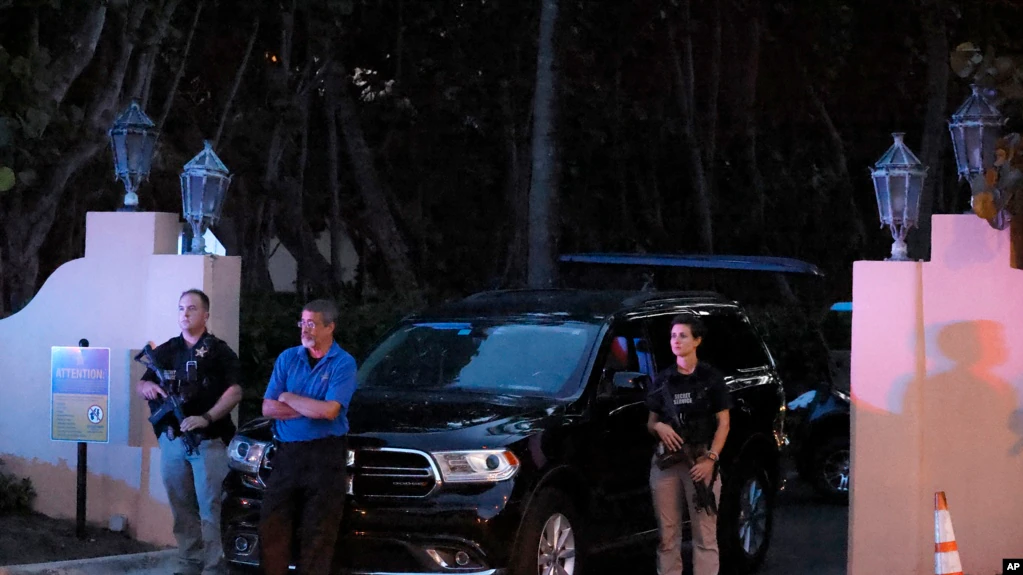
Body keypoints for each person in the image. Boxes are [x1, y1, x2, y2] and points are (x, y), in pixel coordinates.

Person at [136, 289, 242, 575]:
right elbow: (142, 384)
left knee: (211, 507)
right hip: (173, 441)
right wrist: (148, 387)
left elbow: (234, 391)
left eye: (192, 309)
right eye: (181, 308)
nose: (185, 314)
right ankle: (189, 562)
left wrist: (206, 418)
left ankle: (214, 566)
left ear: (205, 315)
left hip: (208, 441)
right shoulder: (168, 350)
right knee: (181, 506)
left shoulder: (219, 351)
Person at [259, 299, 358, 575]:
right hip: (288, 454)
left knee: (318, 531)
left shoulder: (343, 363)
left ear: (330, 327)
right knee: (273, 523)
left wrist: (288, 397)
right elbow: (267, 408)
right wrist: (309, 409)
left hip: (325, 455)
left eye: (312, 324)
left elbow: (329, 411)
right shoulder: (288, 358)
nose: (305, 329)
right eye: (302, 323)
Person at [645, 314, 731, 575]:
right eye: (673, 336)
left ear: (697, 340)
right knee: (667, 535)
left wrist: (711, 459)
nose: (676, 340)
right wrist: (659, 427)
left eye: (683, 335)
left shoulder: (711, 378)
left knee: (705, 535)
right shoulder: (664, 379)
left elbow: (724, 423)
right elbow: (651, 422)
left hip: (700, 460)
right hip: (668, 462)